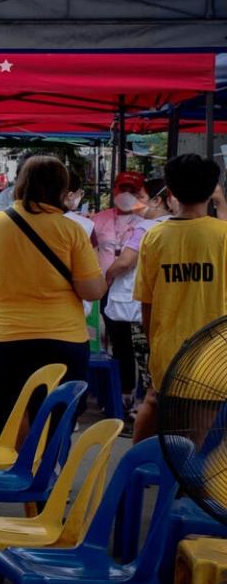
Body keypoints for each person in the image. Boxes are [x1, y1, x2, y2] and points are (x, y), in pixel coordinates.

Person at [0, 155, 106, 446]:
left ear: (21, 183)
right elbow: (92, 291)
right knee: (57, 414)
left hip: (5, 339)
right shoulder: (71, 230)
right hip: (62, 338)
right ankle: (46, 483)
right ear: (62, 189)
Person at [135, 153, 227, 441]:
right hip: (214, 353)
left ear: (171, 192)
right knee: (201, 426)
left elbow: (146, 304)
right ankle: (187, 485)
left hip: (168, 349)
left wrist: (154, 345)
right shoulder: (223, 235)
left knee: (155, 403)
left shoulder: (155, 237)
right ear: (212, 191)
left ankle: (132, 477)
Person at [104, 177, 170, 423]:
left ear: (158, 200)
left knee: (144, 367)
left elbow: (125, 262)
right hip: (167, 305)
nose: (136, 203)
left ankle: (141, 418)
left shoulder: (145, 228)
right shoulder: (176, 226)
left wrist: (107, 277)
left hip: (136, 307)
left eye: (141, 197)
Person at [92, 171, 150, 402]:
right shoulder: (99, 219)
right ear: (114, 190)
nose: (126, 194)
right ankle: (123, 393)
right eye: (122, 189)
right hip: (107, 291)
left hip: (136, 292)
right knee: (118, 342)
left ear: (140, 193)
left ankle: (142, 395)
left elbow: (128, 262)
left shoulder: (147, 221)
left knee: (141, 346)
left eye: (132, 190)